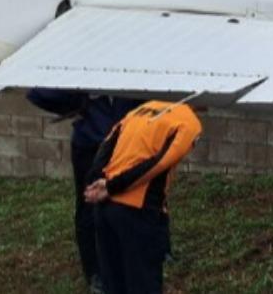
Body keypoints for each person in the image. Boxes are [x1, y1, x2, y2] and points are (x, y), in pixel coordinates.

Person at [26, 90, 141, 293]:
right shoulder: (80, 72)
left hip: (126, 144)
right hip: (91, 145)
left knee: (126, 203)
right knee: (89, 207)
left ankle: (129, 260)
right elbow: (37, 92)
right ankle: (94, 271)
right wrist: (80, 103)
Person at [84, 101, 203, 294]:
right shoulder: (189, 123)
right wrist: (112, 186)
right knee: (144, 284)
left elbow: (107, 143)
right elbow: (158, 164)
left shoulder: (142, 109)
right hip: (138, 212)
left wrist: (95, 179)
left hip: (105, 209)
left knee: (114, 284)